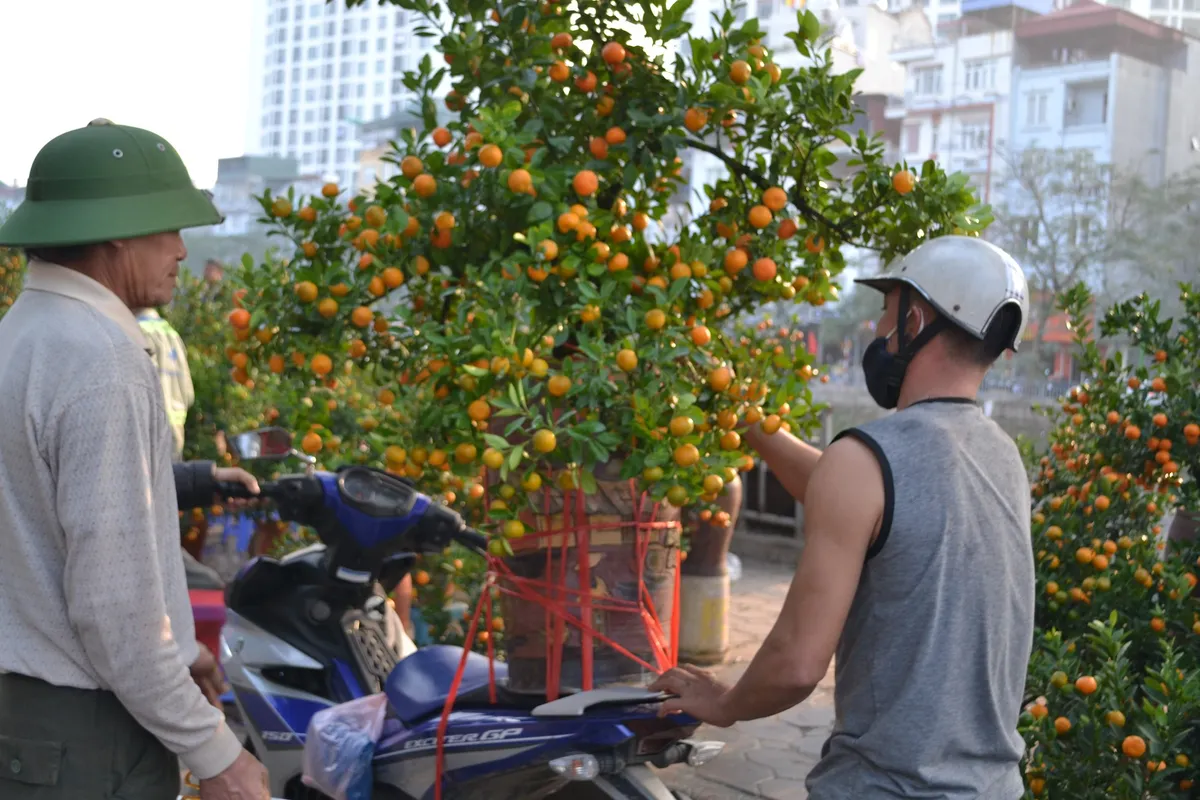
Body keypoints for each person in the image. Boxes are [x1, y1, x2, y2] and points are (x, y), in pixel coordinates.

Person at [653, 235, 1036, 800]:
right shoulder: (1002, 455)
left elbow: (795, 665)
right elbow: (872, 505)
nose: (875, 336)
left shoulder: (866, 460)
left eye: (884, 317)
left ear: (916, 318)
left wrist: (725, 704)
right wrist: (752, 422)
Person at [0, 120, 269, 800]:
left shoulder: (22, 334)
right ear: (117, 231)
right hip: (88, 734)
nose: (181, 249)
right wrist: (216, 754)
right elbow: (112, 607)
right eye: (167, 228)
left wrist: (180, 652)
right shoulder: (103, 362)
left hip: (28, 718)